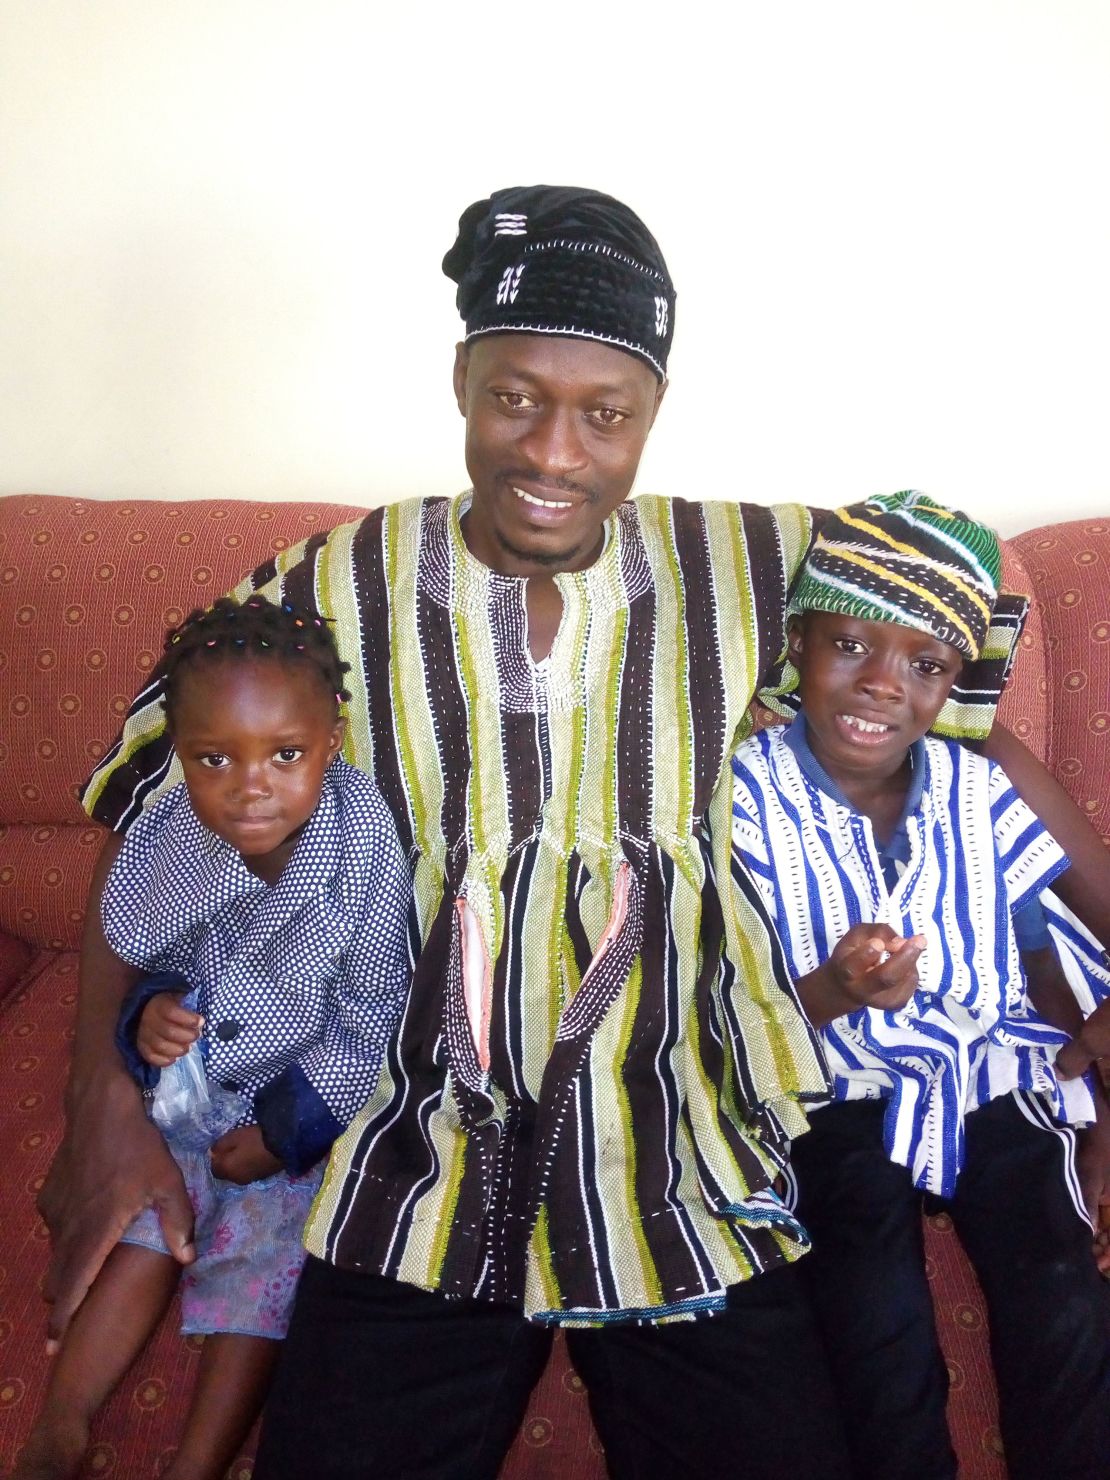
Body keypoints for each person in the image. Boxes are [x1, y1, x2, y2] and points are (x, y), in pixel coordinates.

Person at [39, 186, 1110, 1479]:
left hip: (690, 1156)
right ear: (459, 381)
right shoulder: (331, 585)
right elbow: (159, 807)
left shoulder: (759, 564)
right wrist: (102, 1104)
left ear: (651, 416)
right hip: (420, 1154)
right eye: (513, 398)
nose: (552, 452)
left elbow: (961, 715)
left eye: (603, 415)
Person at [730, 492, 1110, 1480]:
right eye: (850, 644)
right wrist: (833, 987)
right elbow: (735, 1009)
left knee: (1061, 1293)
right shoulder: (745, 795)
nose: (882, 686)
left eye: (926, 664)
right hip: (834, 1088)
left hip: (990, 1074)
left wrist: (1086, 1051)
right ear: (798, 641)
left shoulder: (976, 790)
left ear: (954, 682)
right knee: (876, 1306)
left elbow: (1036, 945)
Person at [15, 596, 412, 1480]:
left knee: (261, 1275)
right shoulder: (173, 830)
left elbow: (374, 1008)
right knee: (148, 1230)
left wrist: (285, 1133)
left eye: (285, 755)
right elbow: (149, 943)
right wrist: (145, 1013)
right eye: (213, 759)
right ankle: (64, 1424)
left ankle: (199, 1461)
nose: (249, 785)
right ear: (180, 754)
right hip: (186, 1092)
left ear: (331, 740)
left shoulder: (366, 843)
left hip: (296, 1114)